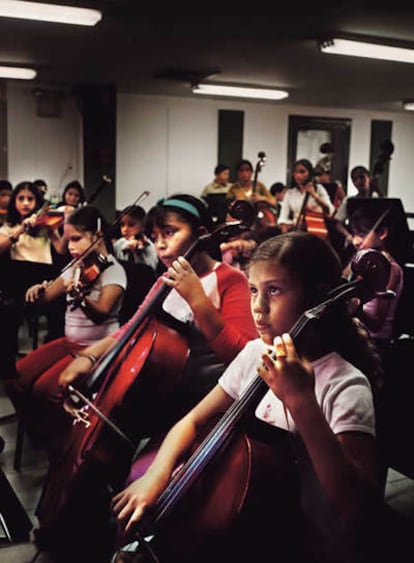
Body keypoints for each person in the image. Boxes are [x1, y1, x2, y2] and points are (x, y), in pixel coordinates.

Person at [111, 231, 385, 563]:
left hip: (308, 540)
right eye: (254, 290)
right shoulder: (256, 352)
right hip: (251, 522)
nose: (258, 307)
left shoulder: (345, 385)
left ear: (317, 298)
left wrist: (301, 400)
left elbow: (356, 505)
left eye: (274, 290)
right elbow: (193, 420)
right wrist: (157, 475)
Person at [32, 194, 257, 563]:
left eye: (170, 232)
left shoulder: (230, 281)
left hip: (199, 405)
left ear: (202, 234)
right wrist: (89, 357)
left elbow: (241, 358)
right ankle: (83, 539)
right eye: (155, 235)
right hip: (156, 395)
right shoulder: (165, 278)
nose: (161, 243)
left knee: (133, 471)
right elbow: (131, 330)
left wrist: (199, 300)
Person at [3, 204, 127, 455]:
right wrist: (36, 292)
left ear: (98, 236)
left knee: (45, 390)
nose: (70, 246)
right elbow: (46, 298)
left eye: (76, 239)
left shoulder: (113, 270)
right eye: (68, 239)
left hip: (94, 349)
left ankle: (62, 443)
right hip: (68, 343)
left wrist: (81, 297)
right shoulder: (76, 266)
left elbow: (101, 313)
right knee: (16, 378)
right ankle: (39, 431)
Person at [0, 181, 68, 366]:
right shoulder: (8, 227)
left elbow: (61, 249)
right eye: (21, 198)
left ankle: (51, 357)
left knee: (61, 309)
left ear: (37, 203)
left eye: (30, 199)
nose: (25, 203)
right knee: (7, 312)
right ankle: (8, 364)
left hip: (44, 278)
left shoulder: (45, 225)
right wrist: (21, 229)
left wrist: (66, 223)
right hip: (18, 279)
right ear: (14, 202)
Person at [112, 204, 159, 324]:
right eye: (122, 225)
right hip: (124, 292)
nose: (125, 229)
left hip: (143, 292)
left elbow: (152, 268)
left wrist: (139, 252)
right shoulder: (119, 244)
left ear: (143, 226)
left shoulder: (149, 246)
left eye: (131, 225)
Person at [278, 158, 335, 235]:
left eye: (302, 172)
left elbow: (329, 210)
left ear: (310, 173)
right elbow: (283, 217)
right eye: (295, 172)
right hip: (297, 230)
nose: (298, 175)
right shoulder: (290, 193)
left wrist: (314, 195)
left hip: (316, 229)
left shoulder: (319, 189)